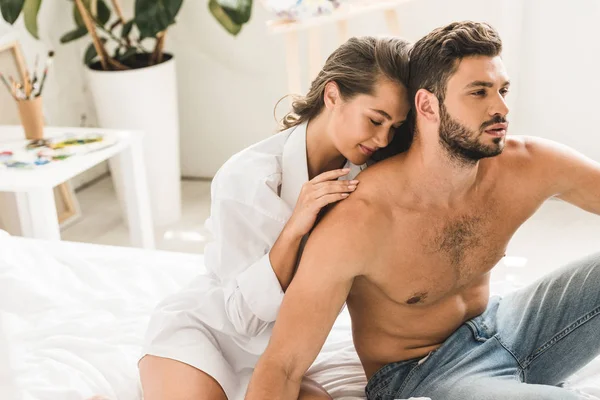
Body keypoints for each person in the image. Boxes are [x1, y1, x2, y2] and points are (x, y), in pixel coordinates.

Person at [245, 21, 600, 400]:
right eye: (479, 92)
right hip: (422, 374)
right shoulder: (360, 219)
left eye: (502, 89)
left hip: (507, 325)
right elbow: (282, 365)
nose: (501, 107)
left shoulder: (527, 165)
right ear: (428, 105)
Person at [138, 36, 412, 400]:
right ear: (333, 96)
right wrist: (294, 228)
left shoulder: (366, 177)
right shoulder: (248, 177)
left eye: (393, 127)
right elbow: (243, 318)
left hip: (278, 357)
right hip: (207, 336)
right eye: (376, 120)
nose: (382, 139)